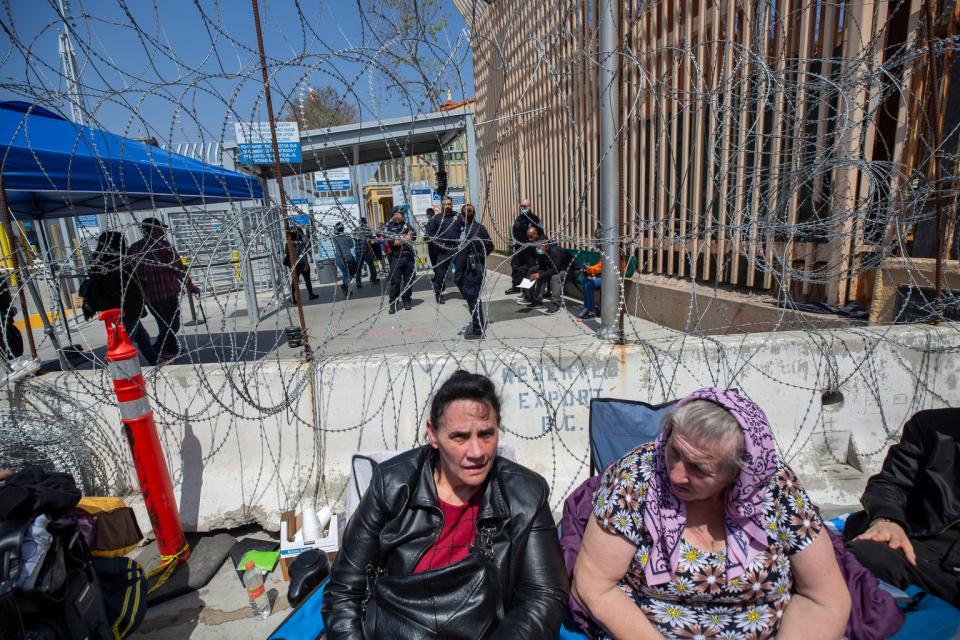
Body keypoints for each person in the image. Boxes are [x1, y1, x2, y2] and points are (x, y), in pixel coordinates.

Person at [572, 388, 850, 640]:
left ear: (737, 473)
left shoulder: (776, 490)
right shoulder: (638, 479)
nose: (677, 474)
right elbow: (595, 583)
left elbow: (823, 598)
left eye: (699, 469)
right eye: (674, 451)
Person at [323, 370, 569, 639]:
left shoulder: (525, 494)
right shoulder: (392, 485)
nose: (477, 452)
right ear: (433, 434)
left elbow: (544, 596)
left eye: (486, 434)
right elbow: (344, 589)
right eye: (460, 437)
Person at [844, 408, 960, 607]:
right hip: (927, 547)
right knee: (867, 554)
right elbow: (890, 483)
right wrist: (887, 521)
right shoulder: (930, 426)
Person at [129, 217, 200, 363]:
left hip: (149, 296)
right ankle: (158, 347)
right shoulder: (164, 246)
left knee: (163, 323)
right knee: (172, 324)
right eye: (161, 228)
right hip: (167, 293)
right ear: (153, 229)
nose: (163, 231)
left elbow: (133, 274)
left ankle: (172, 349)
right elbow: (178, 268)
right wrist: (190, 286)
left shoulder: (134, 248)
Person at [82, 232, 157, 366]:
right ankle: (123, 370)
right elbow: (124, 285)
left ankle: (154, 361)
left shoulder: (100, 260)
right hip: (125, 308)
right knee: (125, 341)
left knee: (142, 337)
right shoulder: (115, 261)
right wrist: (141, 283)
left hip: (124, 308)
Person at [453, 204, 494, 340]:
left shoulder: (472, 230)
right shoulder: (475, 228)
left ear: (462, 215)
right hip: (473, 268)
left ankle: (478, 330)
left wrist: (478, 257)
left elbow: (488, 246)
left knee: (473, 298)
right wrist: (482, 257)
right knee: (472, 298)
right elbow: (490, 246)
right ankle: (478, 326)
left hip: (472, 269)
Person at [520, 229, 571, 314]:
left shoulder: (555, 251)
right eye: (537, 247)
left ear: (547, 246)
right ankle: (537, 300)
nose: (537, 249)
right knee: (538, 273)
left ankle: (556, 304)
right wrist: (538, 274)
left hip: (569, 270)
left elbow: (555, 270)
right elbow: (543, 267)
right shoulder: (542, 252)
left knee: (555, 277)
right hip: (557, 269)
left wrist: (539, 275)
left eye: (539, 247)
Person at [425, 197, 460, 304]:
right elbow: (430, 234)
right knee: (440, 274)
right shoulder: (436, 219)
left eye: (449, 204)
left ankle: (465, 290)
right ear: (442, 206)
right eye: (445, 204)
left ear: (452, 205)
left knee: (462, 271)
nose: (447, 206)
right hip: (442, 250)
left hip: (456, 248)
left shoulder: (458, 216)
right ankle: (438, 294)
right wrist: (439, 243)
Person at [505, 198, 544, 294]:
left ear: (529, 206)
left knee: (530, 268)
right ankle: (517, 286)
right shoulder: (519, 218)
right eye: (521, 206)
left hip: (530, 249)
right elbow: (514, 231)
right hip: (519, 247)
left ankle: (529, 290)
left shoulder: (534, 219)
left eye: (525, 206)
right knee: (515, 266)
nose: (522, 208)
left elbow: (540, 233)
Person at [382, 207, 417, 314]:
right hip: (396, 258)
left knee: (409, 281)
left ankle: (406, 301)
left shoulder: (406, 225)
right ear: (395, 214)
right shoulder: (389, 227)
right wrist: (405, 238)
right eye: (400, 213)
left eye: (402, 213)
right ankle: (393, 303)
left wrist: (401, 238)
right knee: (395, 281)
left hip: (408, 257)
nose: (402, 214)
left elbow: (414, 236)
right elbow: (393, 243)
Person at [0, 272, 24, 360]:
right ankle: (11, 362)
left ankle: (14, 361)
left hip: (6, 317)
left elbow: (5, 294)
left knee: (10, 335)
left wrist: (9, 307)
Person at [353, 217, 380, 289]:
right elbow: (372, 240)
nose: (366, 224)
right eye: (365, 222)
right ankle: (374, 279)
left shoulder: (355, 230)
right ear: (364, 222)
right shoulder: (367, 229)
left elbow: (354, 239)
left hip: (358, 252)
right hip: (366, 251)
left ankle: (358, 282)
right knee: (372, 266)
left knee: (358, 268)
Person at [331, 223, 354, 297]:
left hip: (338, 258)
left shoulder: (334, 237)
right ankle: (345, 286)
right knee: (350, 273)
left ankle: (346, 290)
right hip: (347, 257)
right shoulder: (346, 235)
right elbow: (352, 245)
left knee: (345, 273)